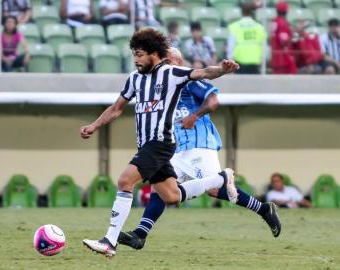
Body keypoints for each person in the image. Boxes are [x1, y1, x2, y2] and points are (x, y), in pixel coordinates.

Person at [80, 28, 240, 257]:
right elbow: (116, 109)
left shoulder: (171, 73)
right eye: (134, 55)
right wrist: (94, 125)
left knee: (125, 180)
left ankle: (109, 241)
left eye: (140, 54)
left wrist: (222, 70)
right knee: (171, 196)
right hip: (146, 145)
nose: (136, 60)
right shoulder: (135, 79)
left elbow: (203, 72)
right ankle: (221, 178)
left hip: (161, 142)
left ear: (155, 53)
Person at [117, 48, 282, 251]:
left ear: (178, 61)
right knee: (161, 187)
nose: (164, 63)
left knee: (214, 189)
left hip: (199, 143)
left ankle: (265, 209)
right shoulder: (163, 84)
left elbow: (213, 101)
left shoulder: (189, 80)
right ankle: (140, 235)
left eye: (168, 59)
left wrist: (194, 115)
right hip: (176, 148)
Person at [227, 1, 266, 74]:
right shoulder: (260, 28)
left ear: (241, 12)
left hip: (239, 64)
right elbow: (264, 48)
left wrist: (230, 64)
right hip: (255, 64)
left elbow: (230, 48)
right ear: (252, 12)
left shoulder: (234, 27)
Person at [270, 1, 297, 74]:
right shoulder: (282, 23)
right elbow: (284, 42)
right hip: (283, 59)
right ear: (286, 11)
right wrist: (293, 34)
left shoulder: (274, 21)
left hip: (275, 57)